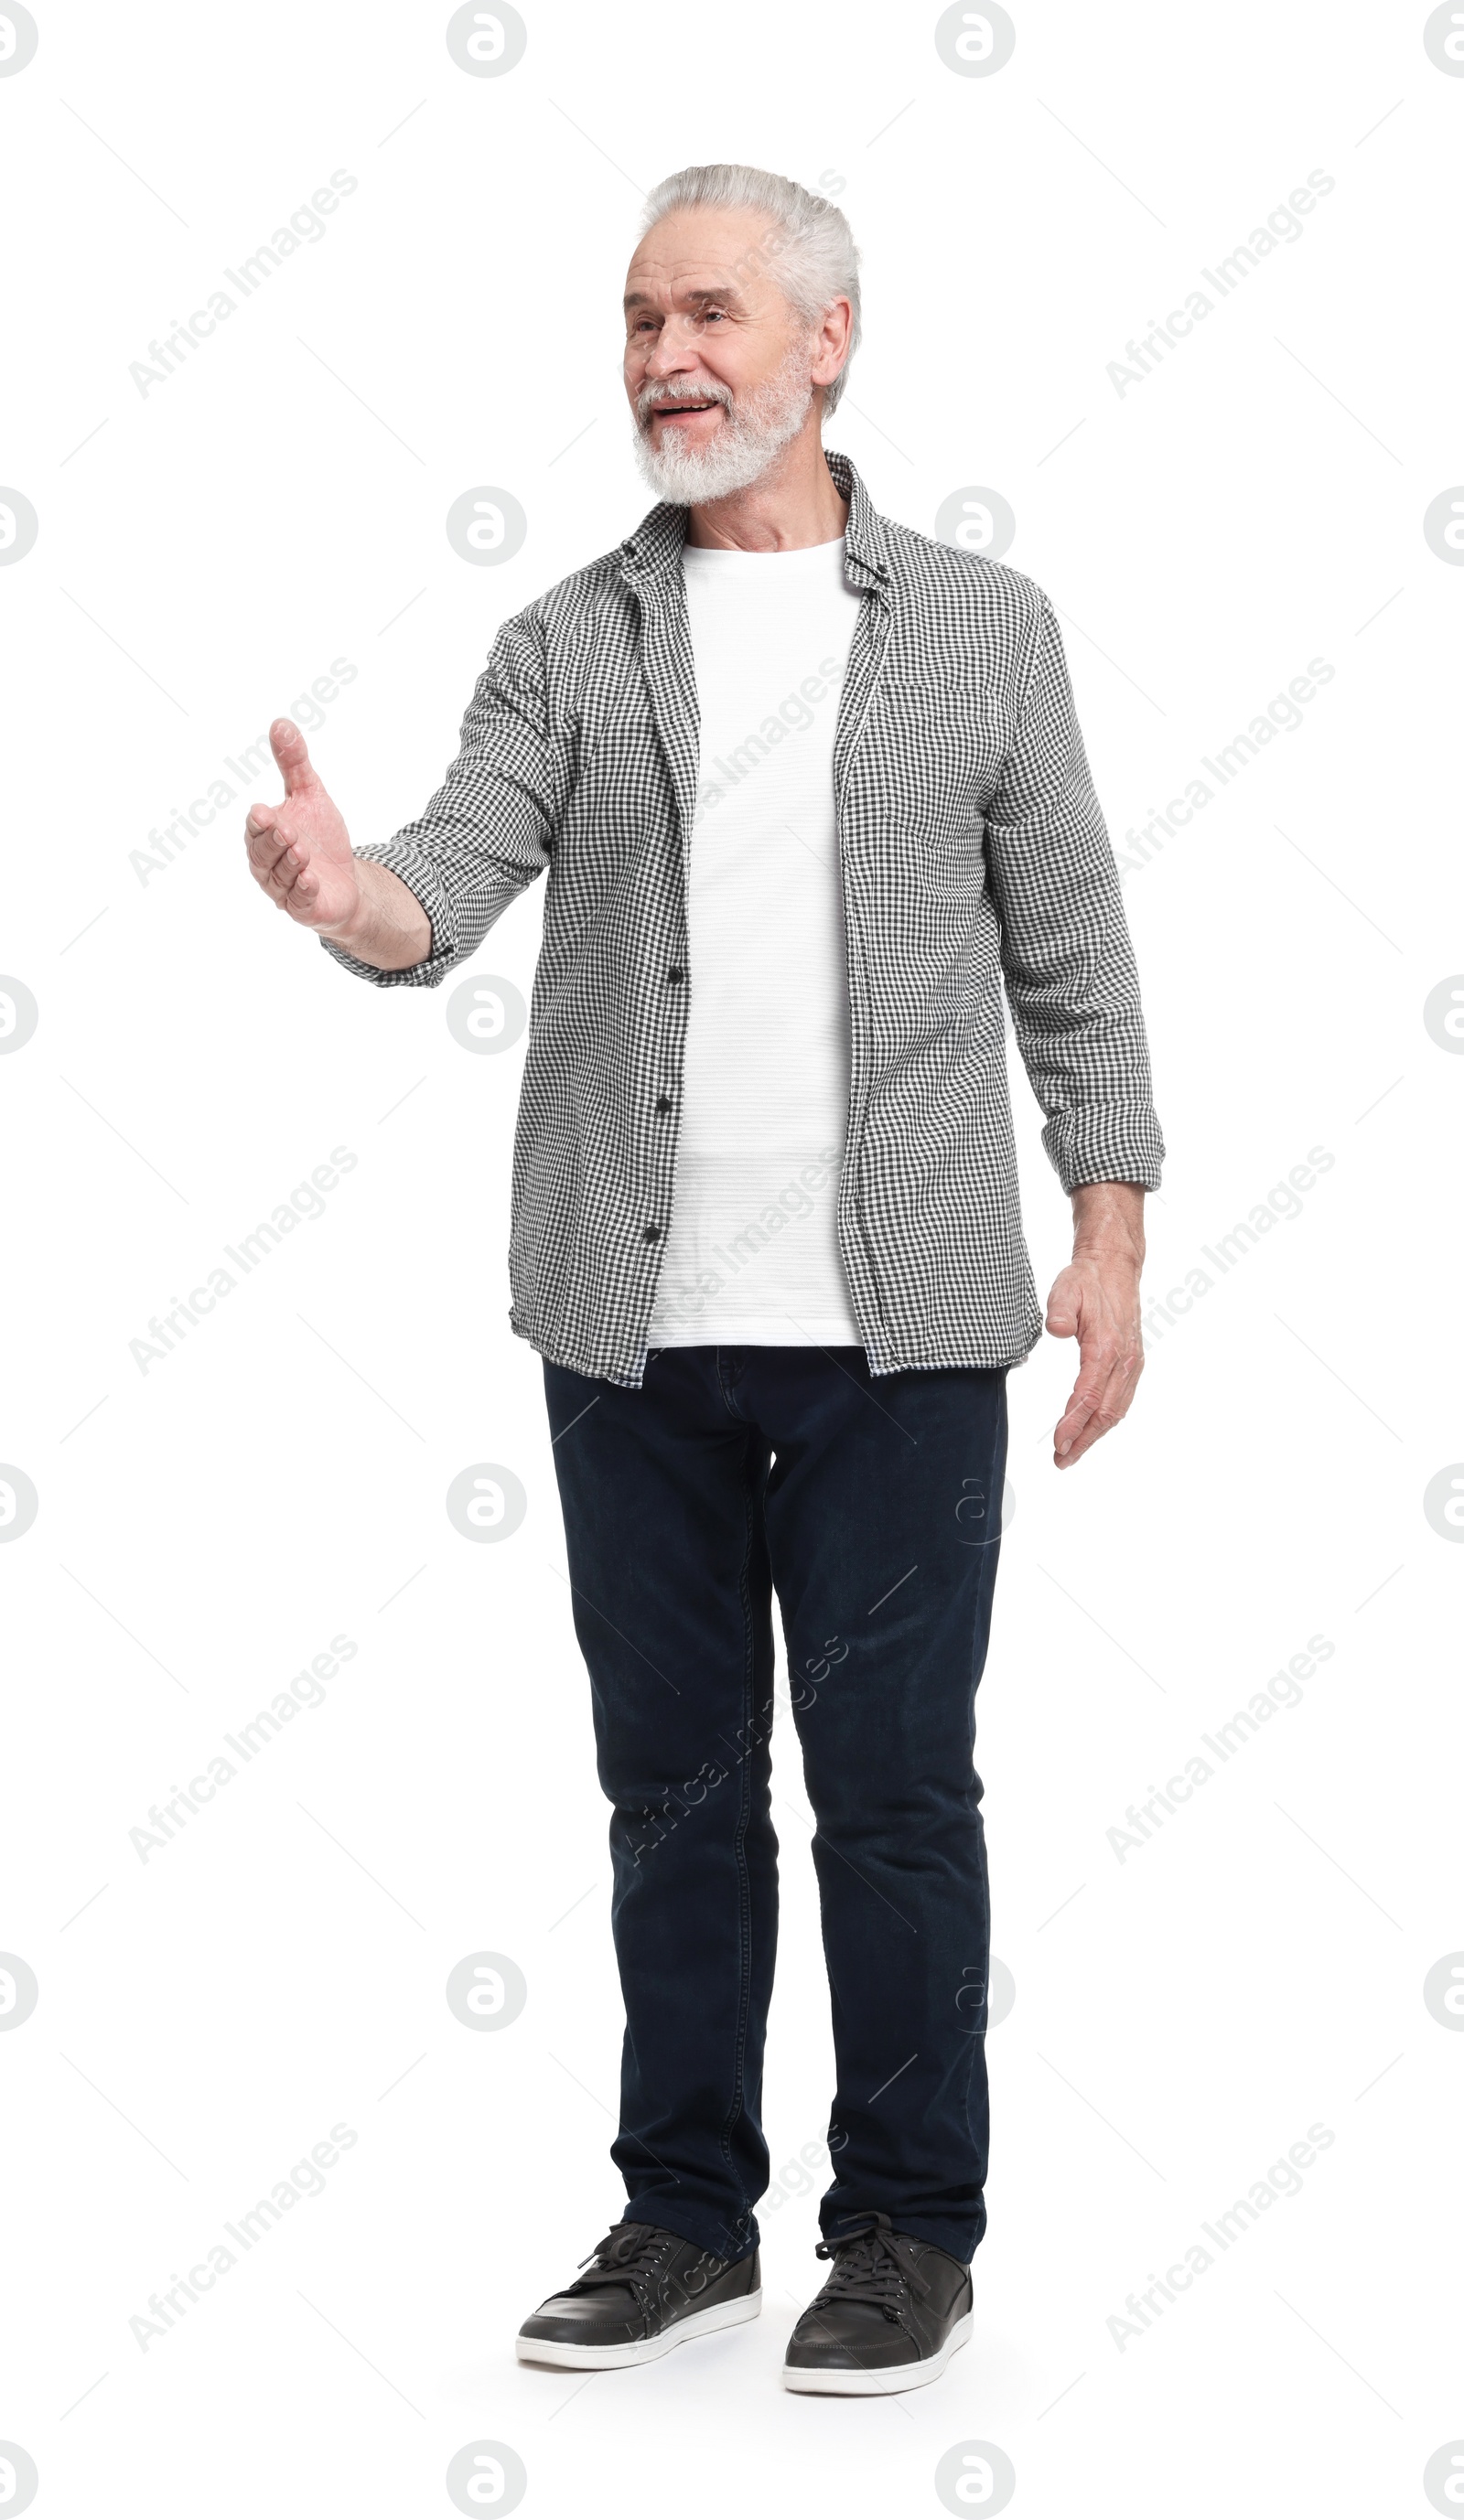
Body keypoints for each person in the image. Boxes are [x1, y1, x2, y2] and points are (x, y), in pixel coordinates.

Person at [243, 162, 1163, 2396]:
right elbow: (446, 878)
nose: (667, 354)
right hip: (626, 1328)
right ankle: (683, 2215)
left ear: (827, 341)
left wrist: (1108, 1228)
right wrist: (351, 892)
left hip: (907, 1330)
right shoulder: (565, 639)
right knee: (666, 1786)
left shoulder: (976, 628)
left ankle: (906, 2230)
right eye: (639, 317)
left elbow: (1073, 953)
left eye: (712, 314)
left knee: (892, 1790)